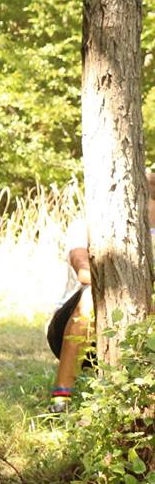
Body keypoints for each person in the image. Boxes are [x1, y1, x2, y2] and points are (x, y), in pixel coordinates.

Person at [47, 171, 155, 412]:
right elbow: (84, 272)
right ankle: (60, 399)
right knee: (92, 296)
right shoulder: (89, 223)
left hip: (138, 325)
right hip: (73, 326)